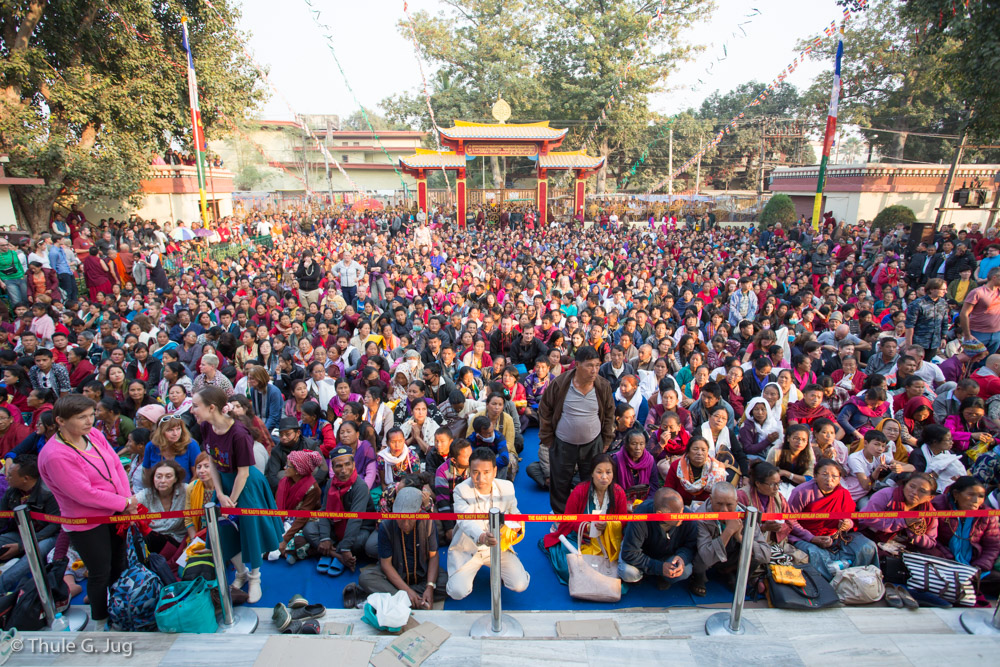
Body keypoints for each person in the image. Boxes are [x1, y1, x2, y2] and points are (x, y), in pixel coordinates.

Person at [38, 394, 137, 627]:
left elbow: (115, 464)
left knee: (119, 564)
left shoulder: (92, 434)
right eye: (81, 417)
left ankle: (120, 610)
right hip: (87, 521)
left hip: (115, 510)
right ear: (61, 421)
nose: (89, 421)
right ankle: (101, 620)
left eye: (91, 415)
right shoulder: (55, 454)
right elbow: (83, 493)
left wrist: (126, 500)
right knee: (99, 572)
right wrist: (122, 504)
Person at [191, 386, 282, 604]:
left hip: (245, 486)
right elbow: (212, 459)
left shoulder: (240, 434)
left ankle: (255, 577)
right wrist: (220, 493)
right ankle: (241, 572)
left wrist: (230, 498)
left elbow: (243, 473)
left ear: (211, 407)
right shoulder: (206, 427)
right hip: (223, 485)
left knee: (252, 532)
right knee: (223, 534)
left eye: (196, 406)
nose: (192, 410)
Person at [538, 346, 616, 513]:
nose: (594, 370)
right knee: (560, 482)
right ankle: (561, 518)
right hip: (563, 444)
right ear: (577, 365)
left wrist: (606, 440)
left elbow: (609, 414)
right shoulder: (560, 384)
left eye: (597, 365)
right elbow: (545, 410)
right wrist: (548, 439)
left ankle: (587, 515)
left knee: (592, 481)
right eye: (589, 365)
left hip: (593, 443)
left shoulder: (603, 386)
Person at [446, 447, 529, 600]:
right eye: (475, 472)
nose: (480, 478)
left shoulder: (507, 487)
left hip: (499, 547)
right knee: (457, 592)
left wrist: (517, 526)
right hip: (468, 548)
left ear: (495, 471)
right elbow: (464, 520)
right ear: (469, 471)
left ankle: (502, 571)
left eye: (486, 472)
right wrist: (482, 537)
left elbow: (514, 513)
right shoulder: (461, 490)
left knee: (520, 584)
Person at [542, 452, 627, 584]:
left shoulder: (618, 492)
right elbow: (569, 519)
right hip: (580, 538)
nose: (604, 477)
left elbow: (623, 520)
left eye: (608, 472)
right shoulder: (580, 490)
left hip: (608, 541)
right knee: (568, 568)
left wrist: (608, 525)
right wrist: (586, 527)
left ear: (613, 474)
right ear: (592, 473)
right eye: (599, 472)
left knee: (617, 569)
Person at [787, 458, 879, 581]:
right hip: (806, 536)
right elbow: (790, 519)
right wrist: (812, 538)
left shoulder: (843, 494)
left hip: (836, 536)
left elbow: (852, 517)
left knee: (868, 546)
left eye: (834, 476)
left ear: (840, 478)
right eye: (824, 475)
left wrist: (848, 524)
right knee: (814, 554)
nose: (829, 479)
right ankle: (829, 584)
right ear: (815, 476)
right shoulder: (802, 492)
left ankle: (859, 580)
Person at [357, 486, 448, 608]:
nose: (405, 524)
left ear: (418, 513)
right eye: (400, 519)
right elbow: (386, 565)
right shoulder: (386, 526)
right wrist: (407, 591)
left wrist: (430, 586)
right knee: (366, 578)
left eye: (410, 519)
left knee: (449, 585)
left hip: (422, 574)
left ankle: (403, 599)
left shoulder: (428, 522)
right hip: (396, 574)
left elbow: (433, 556)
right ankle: (412, 598)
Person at [691, 482, 769, 596]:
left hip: (733, 555)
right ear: (711, 499)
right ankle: (698, 578)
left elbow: (765, 554)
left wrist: (740, 537)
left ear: (736, 502)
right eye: (719, 504)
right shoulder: (701, 516)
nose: (724, 510)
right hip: (710, 558)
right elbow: (706, 556)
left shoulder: (746, 514)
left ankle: (735, 574)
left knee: (754, 551)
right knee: (700, 557)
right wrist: (728, 531)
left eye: (729, 504)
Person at [0, 454, 60, 594]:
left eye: (9, 475)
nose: (6, 477)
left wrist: (22, 546)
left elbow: (55, 526)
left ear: (25, 479)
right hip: (21, 533)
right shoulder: (12, 492)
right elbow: (1, 520)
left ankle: (2, 586)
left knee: (33, 553)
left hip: (48, 536)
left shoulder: (49, 492)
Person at [314, 444, 376, 574]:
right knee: (310, 530)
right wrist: (325, 538)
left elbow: (356, 519)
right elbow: (325, 511)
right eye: (338, 466)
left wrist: (346, 547)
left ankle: (332, 551)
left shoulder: (360, 486)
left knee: (360, 542)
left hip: (359, 528)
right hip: (336, 525)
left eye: (347, 464)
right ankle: (338, 556)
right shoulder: (331, 483)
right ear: (332, 467)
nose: (344, 470)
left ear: (354, 465)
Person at [619, 487, 696, 588]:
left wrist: (682, 557)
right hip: (643, 554)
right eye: (677, 514)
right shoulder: (641, 516)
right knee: (628, 572)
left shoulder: (687, 516)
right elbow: (629, 553)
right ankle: (642, 576)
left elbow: (691, 545)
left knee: (686, 570)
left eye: (682, 510)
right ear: (660, 514)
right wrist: (658, 567)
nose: (683, 516)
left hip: (669, 556)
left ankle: (664, 576)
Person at [859, 472, 938, 552]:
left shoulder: (929, 513)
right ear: (905, 485)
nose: (914, 492)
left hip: (903, 547)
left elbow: (931, 542)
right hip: (871, 537)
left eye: (922, 491)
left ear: (930, 497)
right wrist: (903, 522)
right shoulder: (886, 495)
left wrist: (914, 531)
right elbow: (869, 519)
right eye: (912, 486)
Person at [275, 450, 324, 564]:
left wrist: (285, 539)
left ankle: (291, 551)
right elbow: (277, 507)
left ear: (298, 470)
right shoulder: (284, 482)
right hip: (284, 518)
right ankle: (287, 552)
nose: (284, 467)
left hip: (303, 521)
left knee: (299, 541)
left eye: (288, 465)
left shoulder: (313, 488)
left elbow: (302, 517)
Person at [133, 459, 188, 555]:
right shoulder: (147, 494)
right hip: (154, 541)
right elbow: (130, 502)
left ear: (176, 479)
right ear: (153, 478)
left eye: (168, 476)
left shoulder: (186, 490)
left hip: (180, 541)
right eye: (158, 476)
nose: (162, 481)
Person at [659, 436, 728, 505]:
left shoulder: (716, 469)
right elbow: (668, 490)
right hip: (681, 507)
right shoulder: (676, 466)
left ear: (707, 453)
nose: (699, 453)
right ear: (688, 452)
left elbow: (720, 495)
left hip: (707, 508)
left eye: (703, 450)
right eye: (695, 449)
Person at [960, 266, 1000, 353]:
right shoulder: (978, 292)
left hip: (996, 334)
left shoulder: (998, 291)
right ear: (994, 278)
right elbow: (964, 314)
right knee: (971, 361)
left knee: (989, 363)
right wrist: (967, 335)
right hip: (977, 333)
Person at [613, 431, 659, 505]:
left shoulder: (650, 460)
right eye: (634, 444)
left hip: (645, 501)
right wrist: (625, 503)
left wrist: (645, 503)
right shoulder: (616, 460)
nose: (638, 448)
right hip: (622, 501)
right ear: (627, 445)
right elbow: (613, 486)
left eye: (641, 444)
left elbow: (654, 485)